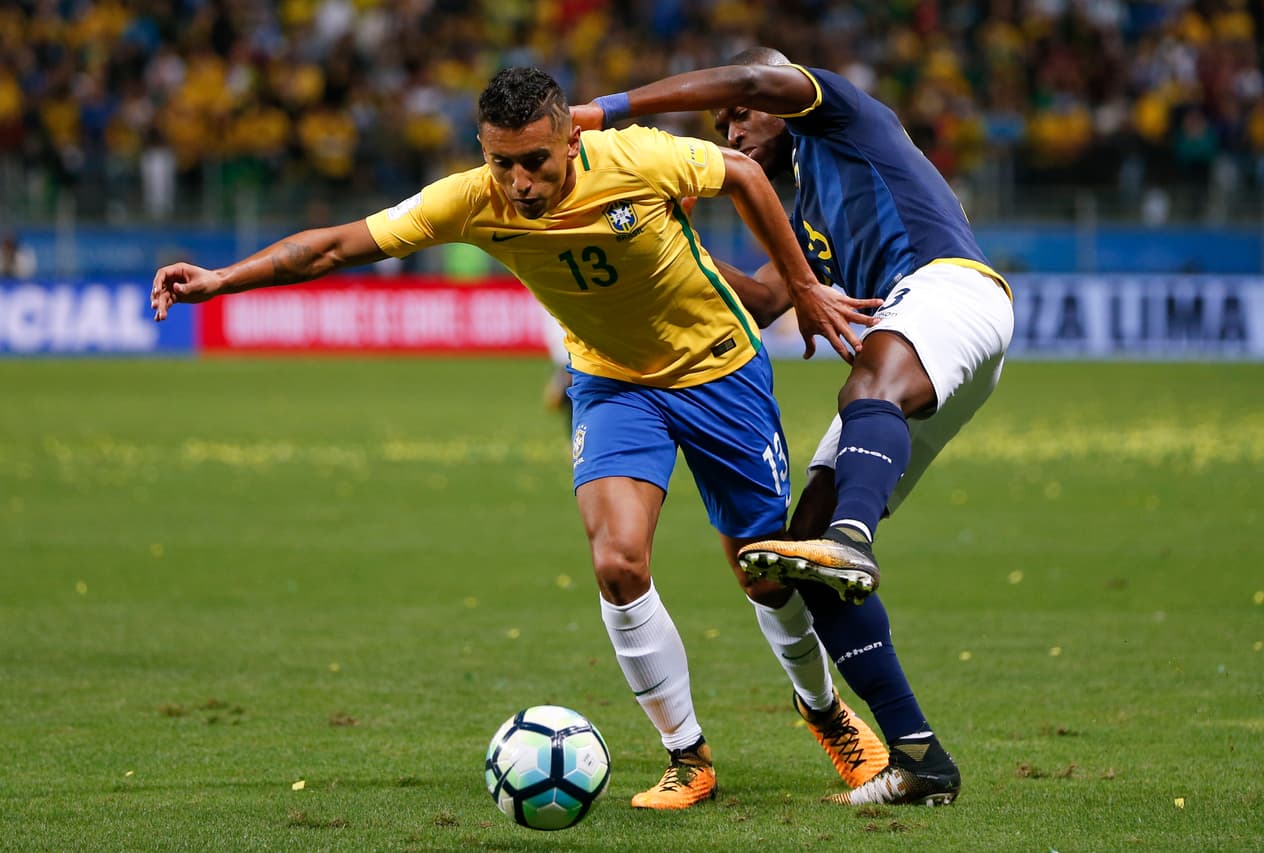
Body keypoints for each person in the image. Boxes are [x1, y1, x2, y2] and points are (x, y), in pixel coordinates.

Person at [151, 67, 888, 810]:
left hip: (720, 372)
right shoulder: (472, 200)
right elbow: (336, 248)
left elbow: (741, 175)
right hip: (613, 385)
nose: (519, 181)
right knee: (618, 563)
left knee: (763, 572)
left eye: (535, 160)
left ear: (571, 138)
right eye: (501, 162)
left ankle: (824, 710)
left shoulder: (635, 158)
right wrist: (221, 280)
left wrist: (801, 286)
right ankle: (686, 755)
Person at [576, 47, 1016, 806]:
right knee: (793, 553)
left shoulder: (842, 116)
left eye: (738, 117)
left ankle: (853, 538)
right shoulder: (807, 216)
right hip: (928, 357)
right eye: (721, 125)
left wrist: (611, 110)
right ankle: (919, 755)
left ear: (780, 100)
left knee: (864, 388)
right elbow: (764, 301)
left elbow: (751, 76)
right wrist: (664, 247)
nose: (730, 131)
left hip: (954, 292)